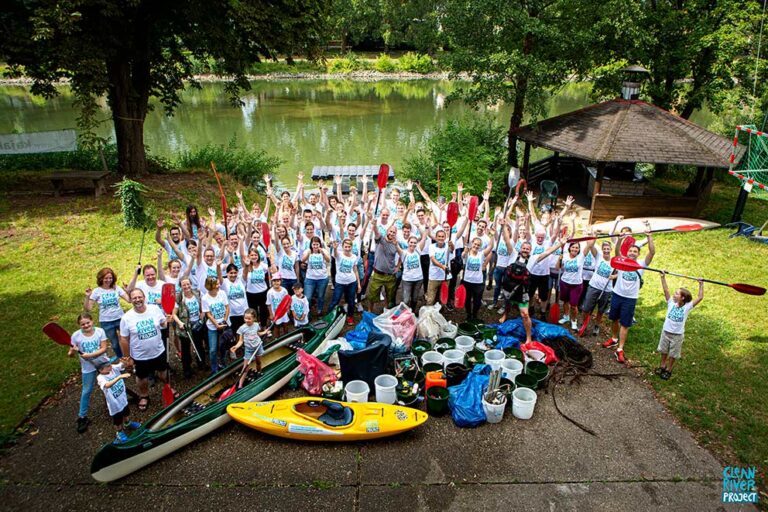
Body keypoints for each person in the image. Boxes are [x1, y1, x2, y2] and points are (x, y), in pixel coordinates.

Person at [603, 225, 656, 364]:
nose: (632, 253)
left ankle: (620, 349)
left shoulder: (641, 264)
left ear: (638, 253)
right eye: (631, 250)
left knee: (625, 324)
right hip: (617, 294)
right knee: (613, 319)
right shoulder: (622, 261)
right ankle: (614, 339)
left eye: (635, 251)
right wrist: (620, 240)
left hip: (630, 299)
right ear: (628, 252)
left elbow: (652, 252)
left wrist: (649, 236)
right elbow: (616, 252)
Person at [119, 288, 177, 412]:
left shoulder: (154, 309)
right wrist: (127, 357)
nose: (137, 300)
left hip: (158, 350)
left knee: (163, 372)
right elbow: (124, 339)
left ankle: (168, 387)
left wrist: (168, 320)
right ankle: (144, 395)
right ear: (131, 300)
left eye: (139, 297)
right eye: (134, 298)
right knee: (142, 378)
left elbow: (163, 324)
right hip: (140, 356)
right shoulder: (126, 318)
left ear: (144, 297)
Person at [656, 273, 704, 380]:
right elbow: (666, 290)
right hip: (666, 332)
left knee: (673, 353)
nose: (674, 294)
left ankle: (668, 369)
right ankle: (662, 366)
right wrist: (662, 277)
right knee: (664, 350)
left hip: (677, 335)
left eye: (677, 293)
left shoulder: (687, 307)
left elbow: (700, 297)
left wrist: (701, 284)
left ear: (682, 298)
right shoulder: (671, 303)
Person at [69, 312, 110, 433]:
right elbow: (70, 354)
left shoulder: (100, 331)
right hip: (88, 367)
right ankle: (82, 417)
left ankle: (115, 406)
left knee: (110, 384)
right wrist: (72, 351)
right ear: (79, 325)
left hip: (102, 362)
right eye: (83, 324)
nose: (86, 325)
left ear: (92, 321)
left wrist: (90, 355)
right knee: (86, 390)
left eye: (88, 323)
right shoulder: (76, 336)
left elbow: (104, 348)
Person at [84, 267, 130, 358]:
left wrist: (128, 291)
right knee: (115, 344)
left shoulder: (116, 288)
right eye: (106, 278)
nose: (108, 280)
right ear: (101, 278)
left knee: (127, 339)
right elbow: (88, 309)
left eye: (110, 278)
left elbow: (129, 300)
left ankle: (131, 357)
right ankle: (122, 360)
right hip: (106, 322)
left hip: (120, 318)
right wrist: (87, 297)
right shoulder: (96, 291)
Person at [95, 360, 140, 444]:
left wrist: (125, 361)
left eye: (109, 364)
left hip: (122, 398)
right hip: (114, 404)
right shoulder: (100, 378)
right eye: (107, 366)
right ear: (101, 370)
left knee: (126, 412)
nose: (110, 366)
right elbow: (107, 385)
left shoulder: (113, 368)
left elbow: (121, 366)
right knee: (118, 420)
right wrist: (119, 377)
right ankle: (119, 432)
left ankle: (127, 423)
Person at [556, 238, 596, 331]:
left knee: (574, 305)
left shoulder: (581, 256)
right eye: (573, 247)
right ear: (570, 248)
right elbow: (557, 267)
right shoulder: (564, 256)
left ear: (579, 249)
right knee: (565, 301)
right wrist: (559, 259)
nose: (575, 249)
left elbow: (589, 245)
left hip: (576, 285)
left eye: (577, 248)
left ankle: (574, 321)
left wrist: (593, 237)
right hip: (564, 282)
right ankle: (566, 316)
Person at [498, 241, 534, 343]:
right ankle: (505, 314)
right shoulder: (513, 254)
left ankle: (528, 337)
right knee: (507, 303)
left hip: (522, 292)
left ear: (530, 250)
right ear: (520, 248)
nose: (525, 250)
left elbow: (546, 253)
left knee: (525, 314)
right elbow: (506, 239)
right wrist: (504, 225)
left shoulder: (533, 259)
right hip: (508, 289)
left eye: (527, 249)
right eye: (524, 248)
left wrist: (560, 244)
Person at [579, 241, 616, 336]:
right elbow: (591, 245)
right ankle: (584, 324)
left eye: (608, 249)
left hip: (606, 289)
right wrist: (594, 236)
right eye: (604, 249)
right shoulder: (598, 256)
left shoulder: (614, 261)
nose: (606, 251)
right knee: (586, 308)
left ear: (611, 250)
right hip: (594, 286)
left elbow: (620, 272)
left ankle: (596, 326)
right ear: (602, 250)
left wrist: (614, 277)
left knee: (600, 310)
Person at [173, 277, 207, 377]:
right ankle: (187, 369)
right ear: (181, 286)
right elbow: (174, 314)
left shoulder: (197, 293)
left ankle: (201, 363)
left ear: (191, 284)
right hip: (185, 326)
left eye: (188, 284)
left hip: (197, 324)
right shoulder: (179, 298)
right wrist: (179, 323)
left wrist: (202, 313)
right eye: (184, 285)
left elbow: (204, 305)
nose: (186, 286)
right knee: (186, 348)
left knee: (199, 345)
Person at [230, 308, 271, 388]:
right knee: (245, 368)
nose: (247, 320)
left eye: (249, 318)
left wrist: (265, 332)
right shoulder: (242, 328)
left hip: (258, 347)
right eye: (245, 318)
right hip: (248, 349)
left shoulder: (256, 325)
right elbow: (240, 341)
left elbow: (257, 334)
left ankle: (259, 373)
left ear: (254, 318)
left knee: (258, 362)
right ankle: (240, 385)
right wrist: (236, 347)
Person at [461, 232, 496, 320]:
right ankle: (468, 315)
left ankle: (475, 315)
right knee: (467, 300)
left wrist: (491, 235)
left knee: (477, 302)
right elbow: (464, 250)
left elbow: (491, 247)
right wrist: (465, 248)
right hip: (467, 281)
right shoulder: (466, 254)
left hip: (478, 283)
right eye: (475, 244)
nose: (476, 246)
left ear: (480, 247)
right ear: (472, 244)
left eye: (478, 245)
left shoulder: (481, 255)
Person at [368, 219, 399, 313]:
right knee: (372, 295)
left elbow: (402, 254)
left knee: (389, 295)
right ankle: (370, 311)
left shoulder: (396, 243)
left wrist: (398, 266)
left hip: (390, 275)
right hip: (378, 274)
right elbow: (376, 233)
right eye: (391, 231)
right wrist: (374, 225)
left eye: (394, 232)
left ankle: (386, 310)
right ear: (387, 231)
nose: (392, 233)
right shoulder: (380, 240)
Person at [328, 239, 362, 325]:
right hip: (340, 283)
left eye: (349, 247)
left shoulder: (354, 257)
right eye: (345, 247)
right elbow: (335, 254)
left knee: (351, 301)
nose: (347, 248)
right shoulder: (339, 254)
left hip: (351, 282)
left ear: (351, 247)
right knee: (335, 300)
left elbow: (355, 270)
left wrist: (358, 284)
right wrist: (335, 248)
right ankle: (328, 317)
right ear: (342, 247)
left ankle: (350, 317)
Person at [201, 275, 229, 374]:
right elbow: (208, 314)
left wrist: (224, 321)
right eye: (216, 284)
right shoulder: (205, 298)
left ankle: (223, 363)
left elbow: (227, 307)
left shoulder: (222, 293)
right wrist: (216, 325)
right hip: (212, 327)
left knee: (223, 347)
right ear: (211, 286)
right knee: (213, 349)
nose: (219, 285)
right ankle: (214, 369)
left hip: (223, 324)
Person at [397, 228, 429, 310]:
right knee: (406, 299)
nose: (413, 244)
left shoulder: (418, 250)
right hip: (407, 280)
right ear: (408, 243)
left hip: (418, 279)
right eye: (411, 242)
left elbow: (424, 237)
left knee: (414, 299)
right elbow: (396, 245)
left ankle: (412, 312)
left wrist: (427, 227)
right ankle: (403, 314)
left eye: (415, 243)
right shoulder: (403, 252)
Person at [301, 236, 331, 318]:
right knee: (308, 297)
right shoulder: (308, 251)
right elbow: (302, 260)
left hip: (322, 278)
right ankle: (308, 312)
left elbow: (328, 260)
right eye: (313, 244)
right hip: (310, 278)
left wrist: (323, 253)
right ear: (311, 244)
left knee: (321, 296)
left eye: (317, 244)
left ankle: (319, 311)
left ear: (319, 244)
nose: (315, 246)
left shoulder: (323, 251)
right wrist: (308, 253)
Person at [221, 263, 248, 335]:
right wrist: (218, 266)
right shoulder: (225, 282)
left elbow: (245, 273)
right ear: (227, 273)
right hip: (232, 314)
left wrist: (247, 265)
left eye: (235, 273)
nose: (233, 275)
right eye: (231, 273)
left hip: (244, 312)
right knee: (235, 333)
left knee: (244, 333)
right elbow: (219, 277)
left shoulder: (241, 280)